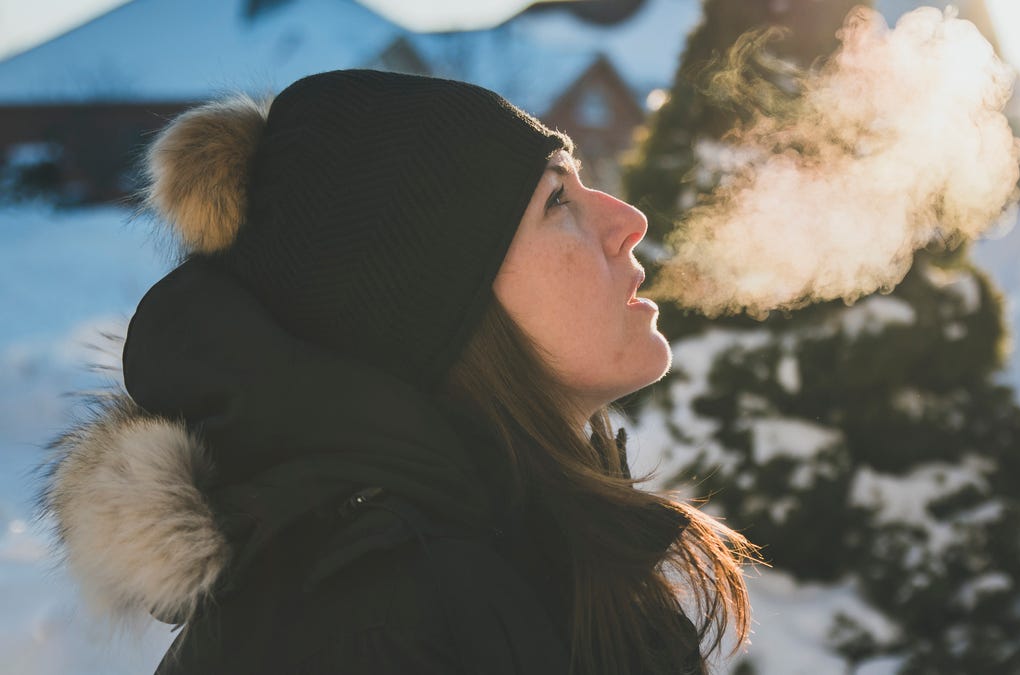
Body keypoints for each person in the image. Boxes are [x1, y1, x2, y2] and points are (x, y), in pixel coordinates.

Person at [40, 70, 756, 674]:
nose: (627, 218)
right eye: (556, 200)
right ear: (433, 303)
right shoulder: (365, 631)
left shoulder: (523, 548)